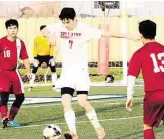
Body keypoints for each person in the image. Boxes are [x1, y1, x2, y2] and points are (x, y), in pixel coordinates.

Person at [42, 7, 138, 139]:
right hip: (67, 74)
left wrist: (129, 36)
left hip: (81, 73)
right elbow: (44, 30)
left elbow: (107, 34)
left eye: (68, 22)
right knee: (65, 102)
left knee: (82, 102)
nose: (66, 25)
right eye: (64, 22)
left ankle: (98, 127)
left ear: (75, 19)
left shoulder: (85, 29)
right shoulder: (60, 26)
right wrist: (50, 35)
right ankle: (73, 133)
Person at [126, 20, 164, 139]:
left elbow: (131, 78)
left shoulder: (139, 53)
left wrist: (129, 97)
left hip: (153, 94)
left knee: (148, 126)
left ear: (141, 35)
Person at [0, 19, 31, 128]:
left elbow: (25, 58)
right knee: (4, 97)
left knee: (20, 97)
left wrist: (29, 71)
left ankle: (10, 120)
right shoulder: (0, 42)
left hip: (14, 72)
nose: (13, 30)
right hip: (2, 72)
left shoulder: (20, 43)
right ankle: (4, 118)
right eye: (10, 28)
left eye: (14, 28)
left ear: (17, 29)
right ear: (7, 29)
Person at [28, 25, 57, 92]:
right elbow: (34, 48)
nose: (45, 32)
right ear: (41, 31)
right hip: (39, 57)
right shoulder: (36, 39)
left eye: (46, 30)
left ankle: (54, 86)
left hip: (48, 56)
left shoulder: (50, 38)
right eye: (43, 30)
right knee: (34, 69)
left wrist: (51, 57)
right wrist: (35, 58)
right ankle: (31, 86)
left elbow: (52, 48)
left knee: (53, 67)